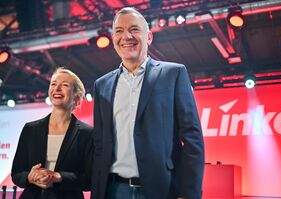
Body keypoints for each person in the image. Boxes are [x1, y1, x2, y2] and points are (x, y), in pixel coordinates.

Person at [91, 7, 205, 199]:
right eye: (119, 31)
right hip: (113, 190)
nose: (126, 36)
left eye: (134, 29)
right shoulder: (102, 85)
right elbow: (100, 145)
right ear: (113, 40)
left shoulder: (174, 74)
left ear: (149, 37)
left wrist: (189, 193)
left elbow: (192, 139)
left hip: (163, 189)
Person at [11, 67, 93, 199]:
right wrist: (30, 177)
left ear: (76, 97)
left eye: (65, 85)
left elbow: (90, 179)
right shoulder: (30, 129)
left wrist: (59, 177)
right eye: (53, 84)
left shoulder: (87, 134)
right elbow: (17, 173)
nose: (57, 88)